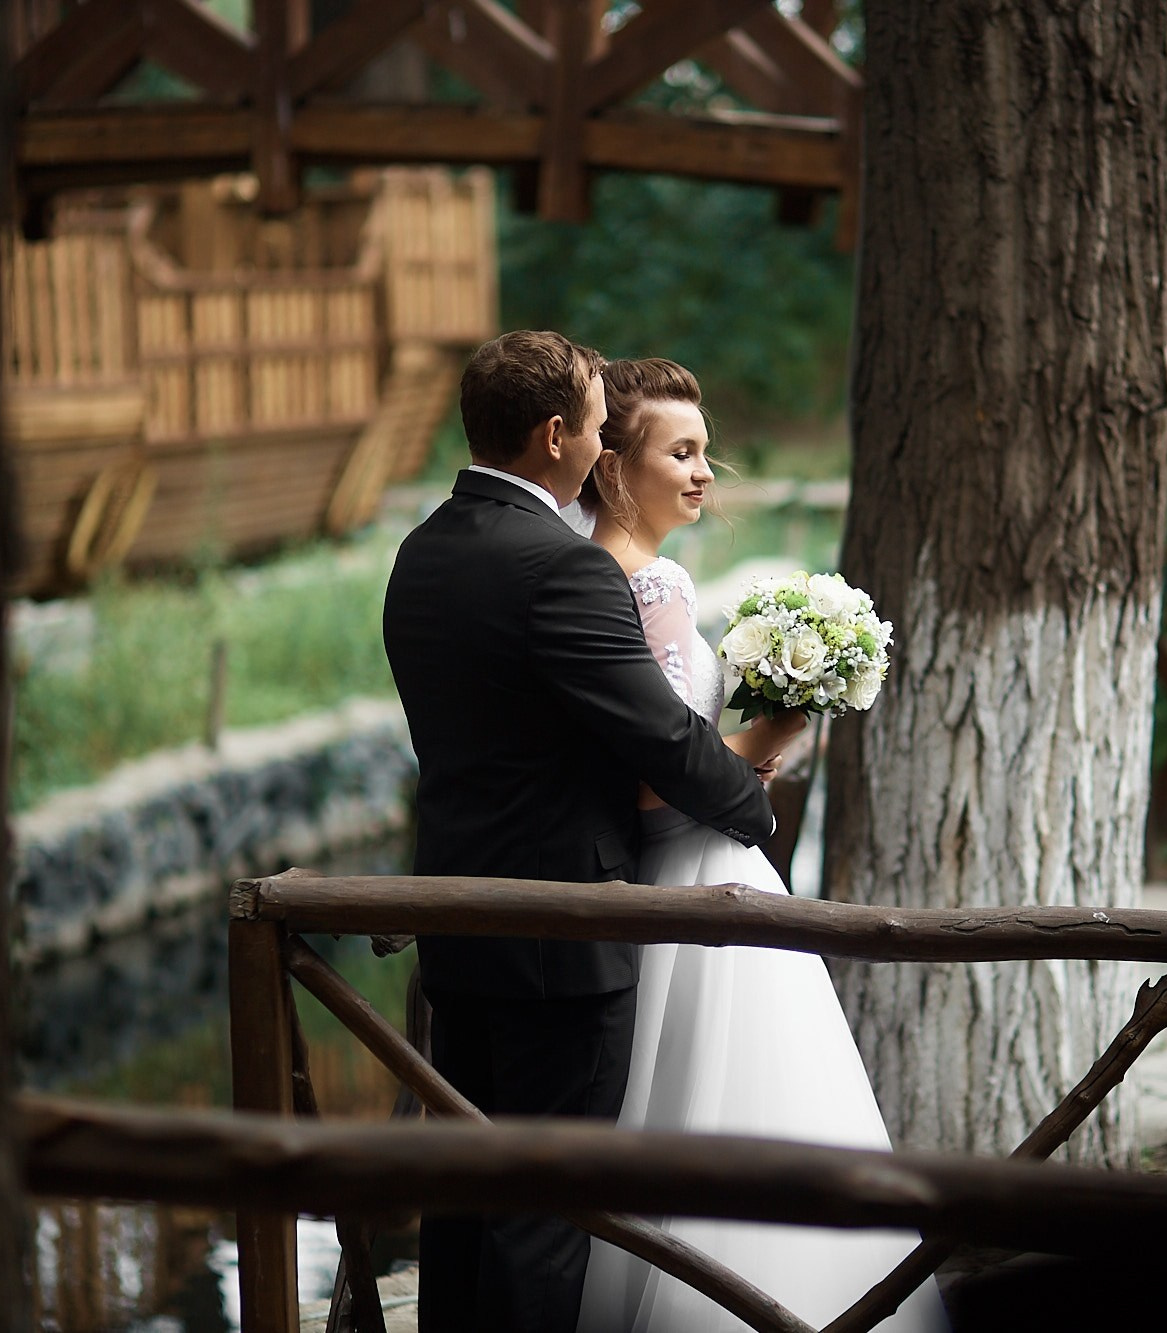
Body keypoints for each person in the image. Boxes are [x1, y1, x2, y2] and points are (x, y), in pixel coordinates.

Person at [381, 331, 781, 1333]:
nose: (601, 443)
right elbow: (660, 740)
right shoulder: (560, 568)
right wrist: (753, 808)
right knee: (548, 1207)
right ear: (555, 435)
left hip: (453, 922)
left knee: (467, 1192)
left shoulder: (422, 550)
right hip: (558, 936)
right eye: (598, 424)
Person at [572, 359, 949, 1333]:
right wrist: (777, 729)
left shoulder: (593, 572)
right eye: (680, 452)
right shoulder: (649, 583)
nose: (703, 473)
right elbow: (662, 786)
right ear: (612, 465)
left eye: (707, 454)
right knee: (744, 1105)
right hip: (697, 871)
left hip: (660, 875)